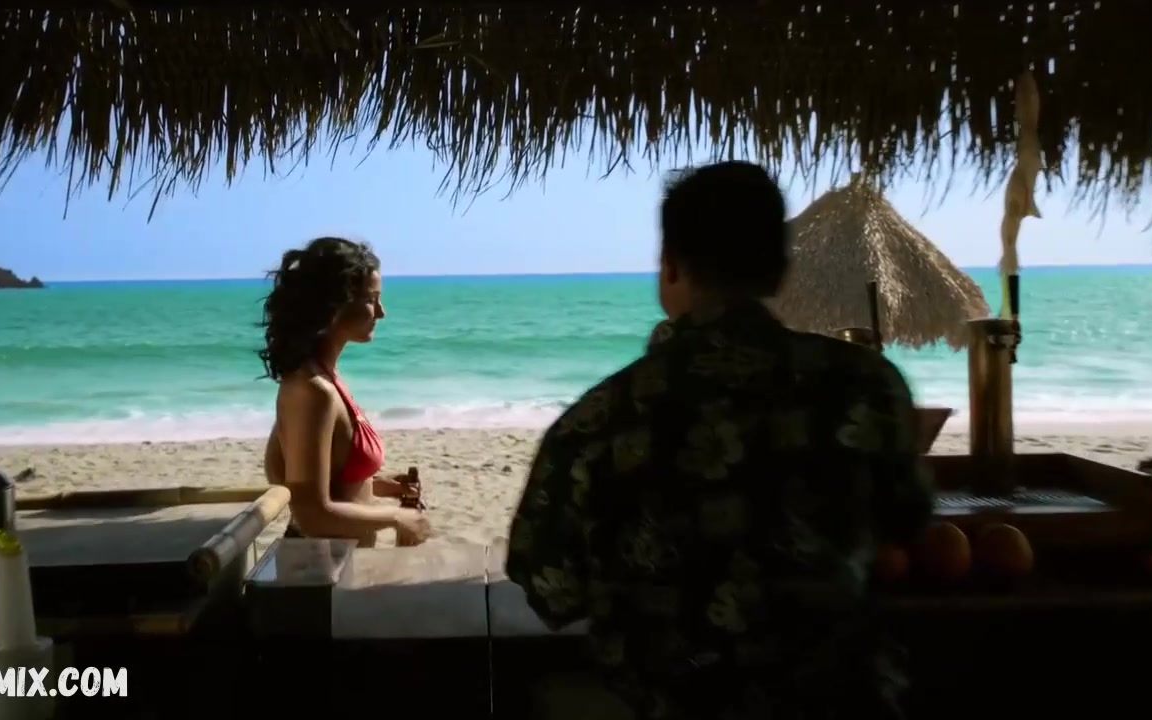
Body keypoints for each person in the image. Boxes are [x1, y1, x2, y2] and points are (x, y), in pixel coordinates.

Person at [505, 162, 935, 719]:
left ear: (670, 265)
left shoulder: (597, 422)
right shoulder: (865, 387)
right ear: (780, 268)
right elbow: (907, 526)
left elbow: (550, 590)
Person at [259, 237, 431, 547]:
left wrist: (379, 486)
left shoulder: (327, 379)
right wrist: (396, 517)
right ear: (334, 305)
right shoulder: (311, 391)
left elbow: (328, 482)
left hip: (339, 561)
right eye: (371, 299)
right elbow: (311, 513)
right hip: (316, 566)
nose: (381, 312)